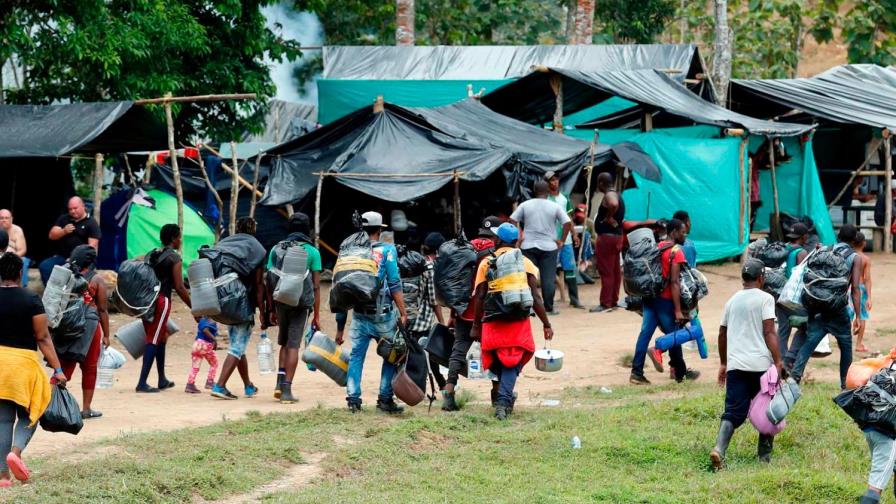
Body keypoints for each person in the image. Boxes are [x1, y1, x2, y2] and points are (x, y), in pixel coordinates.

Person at [470, 222, 553, 420]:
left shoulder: (485, 263)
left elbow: (480, 296)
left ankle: (503, 397)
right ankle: (504, 401)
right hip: (518, 323)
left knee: (499, 361)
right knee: (512, 364)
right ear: (517, 242)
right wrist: (546, 323)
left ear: (497, 240)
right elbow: (536, 297)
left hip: (492, 323)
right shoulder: (526, 263)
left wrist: (475, 325)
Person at [0, 252, 67, 486]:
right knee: (31, 414)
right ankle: (15, 454)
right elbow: (43, 337)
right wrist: (58, 369)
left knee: (3, 421)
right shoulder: (31, 300)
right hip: (23, 364)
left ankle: (3, 477)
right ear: (21, 273)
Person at [709, 258, 783, 470]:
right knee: (767, 409)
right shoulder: (765, 299)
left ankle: (719, 449)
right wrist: (777, 361)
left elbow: (722, 332)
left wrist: (724, 363)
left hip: (736, 365)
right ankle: (764, 458)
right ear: (761, 278)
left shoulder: (732, 300)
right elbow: (769, 331)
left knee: (733, 411)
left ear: (743, 278)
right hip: (760, 366)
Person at [334, 211, 409, 414]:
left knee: (356, 356)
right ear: (379, 229)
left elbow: (340, 289)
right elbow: (394, 283)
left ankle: (353, 399)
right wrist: (403, 312)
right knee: (391, 356)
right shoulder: (387, 250)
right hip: (383, 315)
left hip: (358, 314)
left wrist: (340, 327)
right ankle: (385, 399)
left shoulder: (349, 250)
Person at [789, 224, 864, 390]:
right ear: (854, 240)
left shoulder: (824, 249)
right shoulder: (855, 257)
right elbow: (856, 289)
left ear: (838, 237)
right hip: (838, 308)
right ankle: (845, 384)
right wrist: (858, 316)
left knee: (810, 341)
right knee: (845, 346)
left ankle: (794, 376)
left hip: (817, 304)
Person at [631, 219, 699, 385]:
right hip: (666, 300)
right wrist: (677, 309)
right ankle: (680, 373)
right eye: (682, 232)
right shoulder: (676, 251)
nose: (685, 235)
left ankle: (636, 373)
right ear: (674, 232)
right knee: (674, 336)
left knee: (645, 334)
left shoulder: (657, 247)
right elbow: (675, 282)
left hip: (650, 297)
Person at [442, 217, 499, 411]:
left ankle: (449, 390)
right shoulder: (497, 249)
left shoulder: (465, 247)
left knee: (458, 349)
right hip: (487, 312)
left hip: (463, 310)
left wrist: (453, 312)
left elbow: (455, 286)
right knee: (495, 351)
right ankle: (497, 395)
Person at [267, 212, 322, 404]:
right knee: (293, 345)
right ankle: (287, 391)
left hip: (280, 300)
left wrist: (271, 309)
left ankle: (278, 383)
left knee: (283, 342)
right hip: (301, 304)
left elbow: (269, 279)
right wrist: (316, 315)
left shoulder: (276, 249)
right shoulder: (313, 252)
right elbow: (316, 285)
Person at [211, 217, 268, 400]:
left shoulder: (224, 243)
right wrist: (263, 313)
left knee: (238, 345)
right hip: (242, 303)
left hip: (221, 299)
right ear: (253, 228)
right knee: (237, 346)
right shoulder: (258, 248)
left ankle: (248, 386)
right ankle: (219, 386)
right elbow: (259, 284)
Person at [137, 224, 192, 393]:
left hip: (147, 301)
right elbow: (180, 287)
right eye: (179, 237)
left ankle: (162, 379)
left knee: (161, 336)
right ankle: (142, 383)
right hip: (162, 301)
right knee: (154, 338)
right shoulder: (174, 258)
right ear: (174, 239)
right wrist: (193, 307)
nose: (180, 240)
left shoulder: (154, 253)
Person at [57, 245, 109, 418]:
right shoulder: (96, 280)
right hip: (90, 327)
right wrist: (107, 335)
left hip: (67, 325)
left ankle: (47, 404)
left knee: (64, 367)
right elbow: (102, 309)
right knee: (90, 368)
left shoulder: (66, 275)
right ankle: (86, 409)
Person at [509, 180, 572, 315]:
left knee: (528, 277)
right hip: (549, 247)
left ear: (534, 191)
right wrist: (561, 240)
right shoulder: (554, 206)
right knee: (548, 278)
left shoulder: (525, 205)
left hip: (528, 245)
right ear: (548, 191)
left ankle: (528, 307)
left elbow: (513, 219)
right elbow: (567, 222)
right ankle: (548, 307)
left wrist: (518, 236)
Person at [409, 232, 446, 389]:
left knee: (411, 354)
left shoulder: (416, 263)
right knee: (430, 354)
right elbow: (433, 300)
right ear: (438, 251)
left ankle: (440, 384)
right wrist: (442, 323)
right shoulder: (430, 268)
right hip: (422, 319)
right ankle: (436, 386)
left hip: (408, 316)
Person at [40, 197, 101, 286]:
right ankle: (53, 292)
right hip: (62, 256)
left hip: (83, 260)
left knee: (73, 274)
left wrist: (75, 258)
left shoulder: (91, 222)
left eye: (75, 208)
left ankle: (72, 295)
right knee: (45, 266)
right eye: (70, 209)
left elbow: (92, 247)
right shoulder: (64, 219)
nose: (72, 211)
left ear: (83, 206)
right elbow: (51, 235)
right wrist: (63, 231)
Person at [545, 171, 583, 309]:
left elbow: (569, 219)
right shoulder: (545, 199)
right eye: (551, 180)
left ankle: (575, 299)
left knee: (570, 269)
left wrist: (574, 234)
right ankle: (549, 302)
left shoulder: (564, 198)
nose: (555, 182)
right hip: (551, 240)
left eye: (556, 180)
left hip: (566, 240)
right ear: (547, 183)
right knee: (549, 271)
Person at [777, 223, 810, 371]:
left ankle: (780, 360)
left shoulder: (783, 248)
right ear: (804, 237)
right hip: (793, 297)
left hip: (779, 294)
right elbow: (803, 276)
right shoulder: (801, 252)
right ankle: (789, 359)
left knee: (783, 330)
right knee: (806, 325)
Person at [591, 172, 625, 313]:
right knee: (615, 270)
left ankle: (605, 303)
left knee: (606, 271)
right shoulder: (618, 194)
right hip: (616, 237)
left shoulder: (610, 195)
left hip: (607, 238)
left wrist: (608, 217)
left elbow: (613, 204)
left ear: (601, 183)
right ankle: (613, 300)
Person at [185, 317, 219, 394]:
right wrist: (214, 340)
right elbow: (205, 330)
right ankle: (210, 381)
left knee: (195, 367)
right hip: (205, 345)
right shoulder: (211, 320)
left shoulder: (202, 319)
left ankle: (190, 384)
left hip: (196, 344)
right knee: (214, 363)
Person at [851, 231, 872, 353]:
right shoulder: (865, 259)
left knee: (848, 315)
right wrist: (869, 297)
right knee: (862, 316)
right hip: (860, 288)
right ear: (864, 243)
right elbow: (867, 279)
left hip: (848, 288)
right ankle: (858, 344)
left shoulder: (849, 256)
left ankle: (845, 340)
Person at [0, 210, 28, 287]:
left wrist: (10, 257)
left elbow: (22, 250)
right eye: (1, 218)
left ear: (11, 219)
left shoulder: (17, 230)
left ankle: (21, 288)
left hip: (14, 257)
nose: (4, 220)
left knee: (23, 261)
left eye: (6, 218)